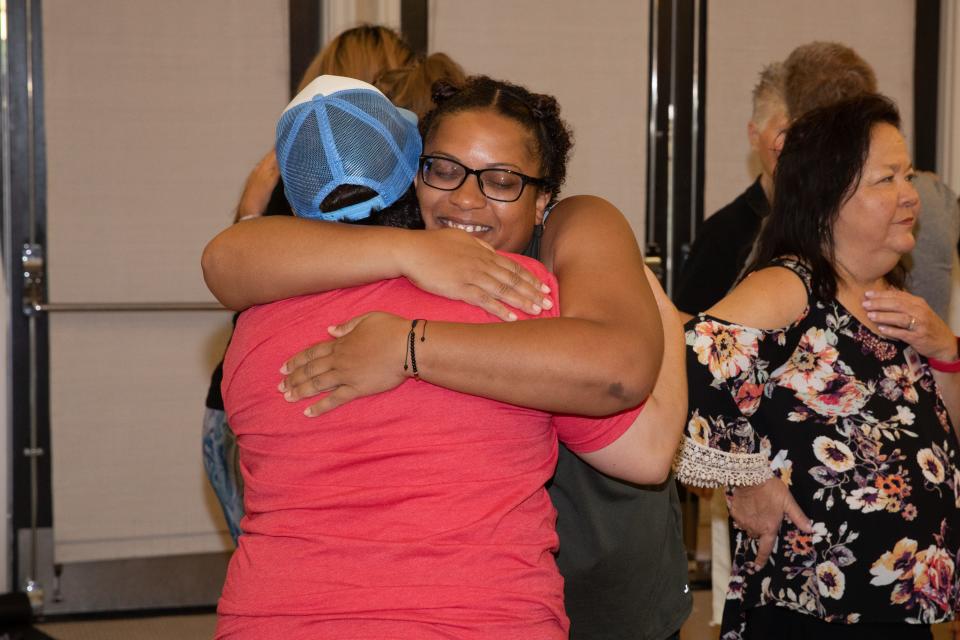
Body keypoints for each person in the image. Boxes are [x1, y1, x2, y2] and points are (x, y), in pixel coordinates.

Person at [203, 75, 692, 639]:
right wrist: (411, 253)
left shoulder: (541, 272)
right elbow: (224, 258)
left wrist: (408, 345)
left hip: (604, 567)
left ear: (542, 201)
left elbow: (621, 382)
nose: (465, 197)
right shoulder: (504, 288)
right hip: (488, 601)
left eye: (502, 180)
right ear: (412, 173)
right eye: (443, 169)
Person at [676, 94, 960, 639]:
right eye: (887, 180)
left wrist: (945, 349)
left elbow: (944, 441)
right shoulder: (791, 285)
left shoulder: (891, 297)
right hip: (811, 614)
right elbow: (687, 364)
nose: (911, 196)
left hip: (898, 609)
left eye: (909, 176)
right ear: (829, 195)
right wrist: (746, 476)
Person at [202, 29, 459, 542]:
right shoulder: (313, 167)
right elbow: (233, 264)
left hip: (263, 404)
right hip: (296, 403)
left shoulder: (297, 162)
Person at [674, 62, 787, 319]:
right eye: (785, 131)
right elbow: (683, 324)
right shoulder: (725, 231)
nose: (798, 144)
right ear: (754, 135)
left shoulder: (835, 223)